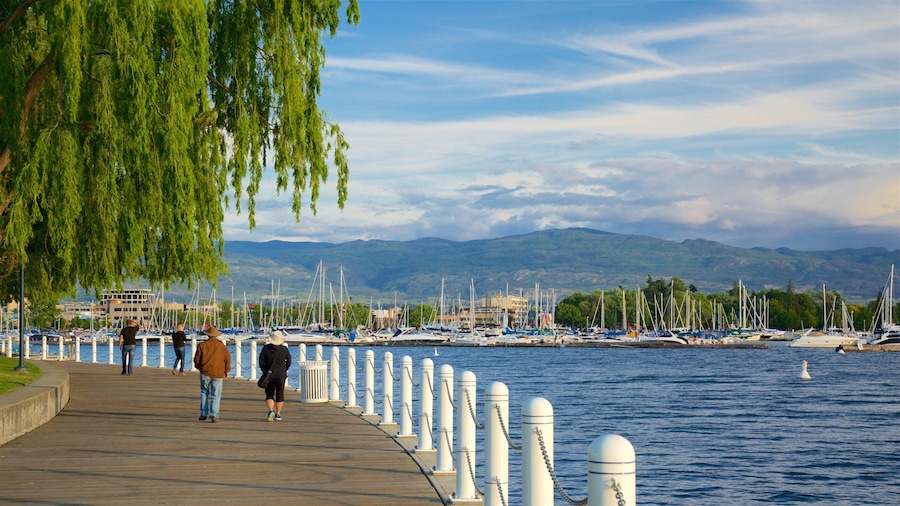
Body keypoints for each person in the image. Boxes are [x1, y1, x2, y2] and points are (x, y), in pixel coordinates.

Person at [193, 326, 231, 423]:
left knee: (204, 392)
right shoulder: (221, 346)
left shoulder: (202, 345)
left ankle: (203, 413)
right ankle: (214, 414)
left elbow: (196, 360)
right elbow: (227, 359)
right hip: (218, 372)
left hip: (205, 372)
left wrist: (199, 368)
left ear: (208, 335)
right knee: (216, 394)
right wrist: (226, 370)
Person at [259, 330, 292, 421]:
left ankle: (270, 411)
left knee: (269, 394)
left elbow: (261, 361)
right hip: (281, 375)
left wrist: (264, 370)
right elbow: (289, 361)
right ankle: (278, 414)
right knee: (280, 393)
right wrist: (284, 369)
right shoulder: (284, 349)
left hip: (269, 374)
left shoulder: (266, 348)